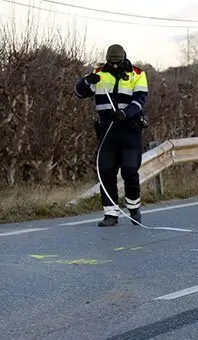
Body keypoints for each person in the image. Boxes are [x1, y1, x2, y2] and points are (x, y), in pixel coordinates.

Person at [74, 44, 149, 227]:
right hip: (107, 130)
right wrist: (86, 81)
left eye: (118, 62)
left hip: (130, 129)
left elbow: (140, 100)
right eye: (111, 62)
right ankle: (110, 214)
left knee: (130, 171)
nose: (114, 66)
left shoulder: (138, 74)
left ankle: (133, 208)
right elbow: (79, 93)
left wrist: (126, 113)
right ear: (107, 60)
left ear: (124, 59)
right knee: (106, 171)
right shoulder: (98, 73)